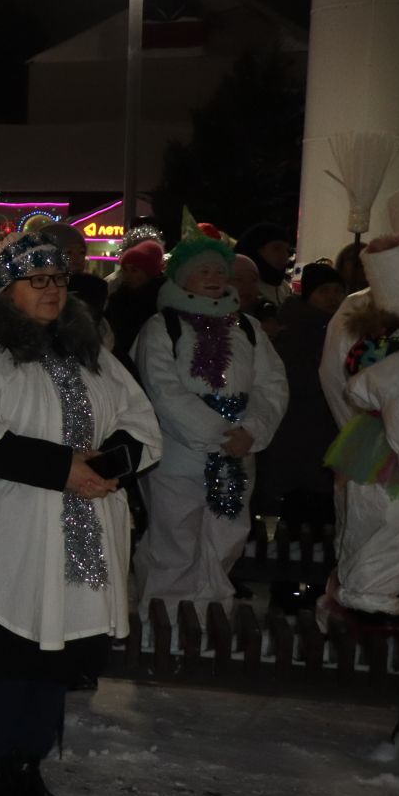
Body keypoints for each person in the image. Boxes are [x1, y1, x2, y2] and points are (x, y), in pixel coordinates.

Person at [0, 232, 160, 796]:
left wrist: (106, 467)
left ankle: (30, 763)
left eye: (58, 280)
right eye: (36, 280)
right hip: (10, 525)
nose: (51, 291)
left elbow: (137, 418)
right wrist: (62, 468)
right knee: (9, 653)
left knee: (58, 650)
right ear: (5, 290)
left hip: (83, 516)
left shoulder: (89, 352)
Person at [132, 235, 287, 608]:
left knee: (227, 533)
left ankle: (209, 611)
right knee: (175, 535)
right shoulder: (162, 327)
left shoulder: (247, 327)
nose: (214, 277)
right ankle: (164, 615)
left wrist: (251, 430)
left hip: (239, 451)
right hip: (179, 452)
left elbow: (272, 385)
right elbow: (163, 389)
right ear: (182, 278)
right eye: (203, 270)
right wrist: (216, 433)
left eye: (220, 270)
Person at [320, 201, 399, 618]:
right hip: (376, 446)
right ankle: (357, 621)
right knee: (374, 532)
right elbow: (338, 380)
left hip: (379, 440)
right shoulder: (359, 311)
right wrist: (366, 439)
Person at [257, 262, 345, 525]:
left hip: (323, 424)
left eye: (338, 290)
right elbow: (299, 379)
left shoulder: (337, 328)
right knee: (303, 495)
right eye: (324, 291)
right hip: (300, 425)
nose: (332, 297)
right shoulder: (295, 330)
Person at [104, 239, 166, 372]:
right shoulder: (118, 298)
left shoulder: (161, 300)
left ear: (148, 272)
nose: (128, 275)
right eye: (125, 269)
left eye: (134, 270)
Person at [39, 222, 110, 317]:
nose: (78, 259)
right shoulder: (36, 293)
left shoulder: (95, 290)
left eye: (82, 252)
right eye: (69, 252)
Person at [236, 223, 295, 309]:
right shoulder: (244, 286)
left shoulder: (284, 287)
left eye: (287, 250)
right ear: (256, 250)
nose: (284, 255)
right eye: (276, 248)